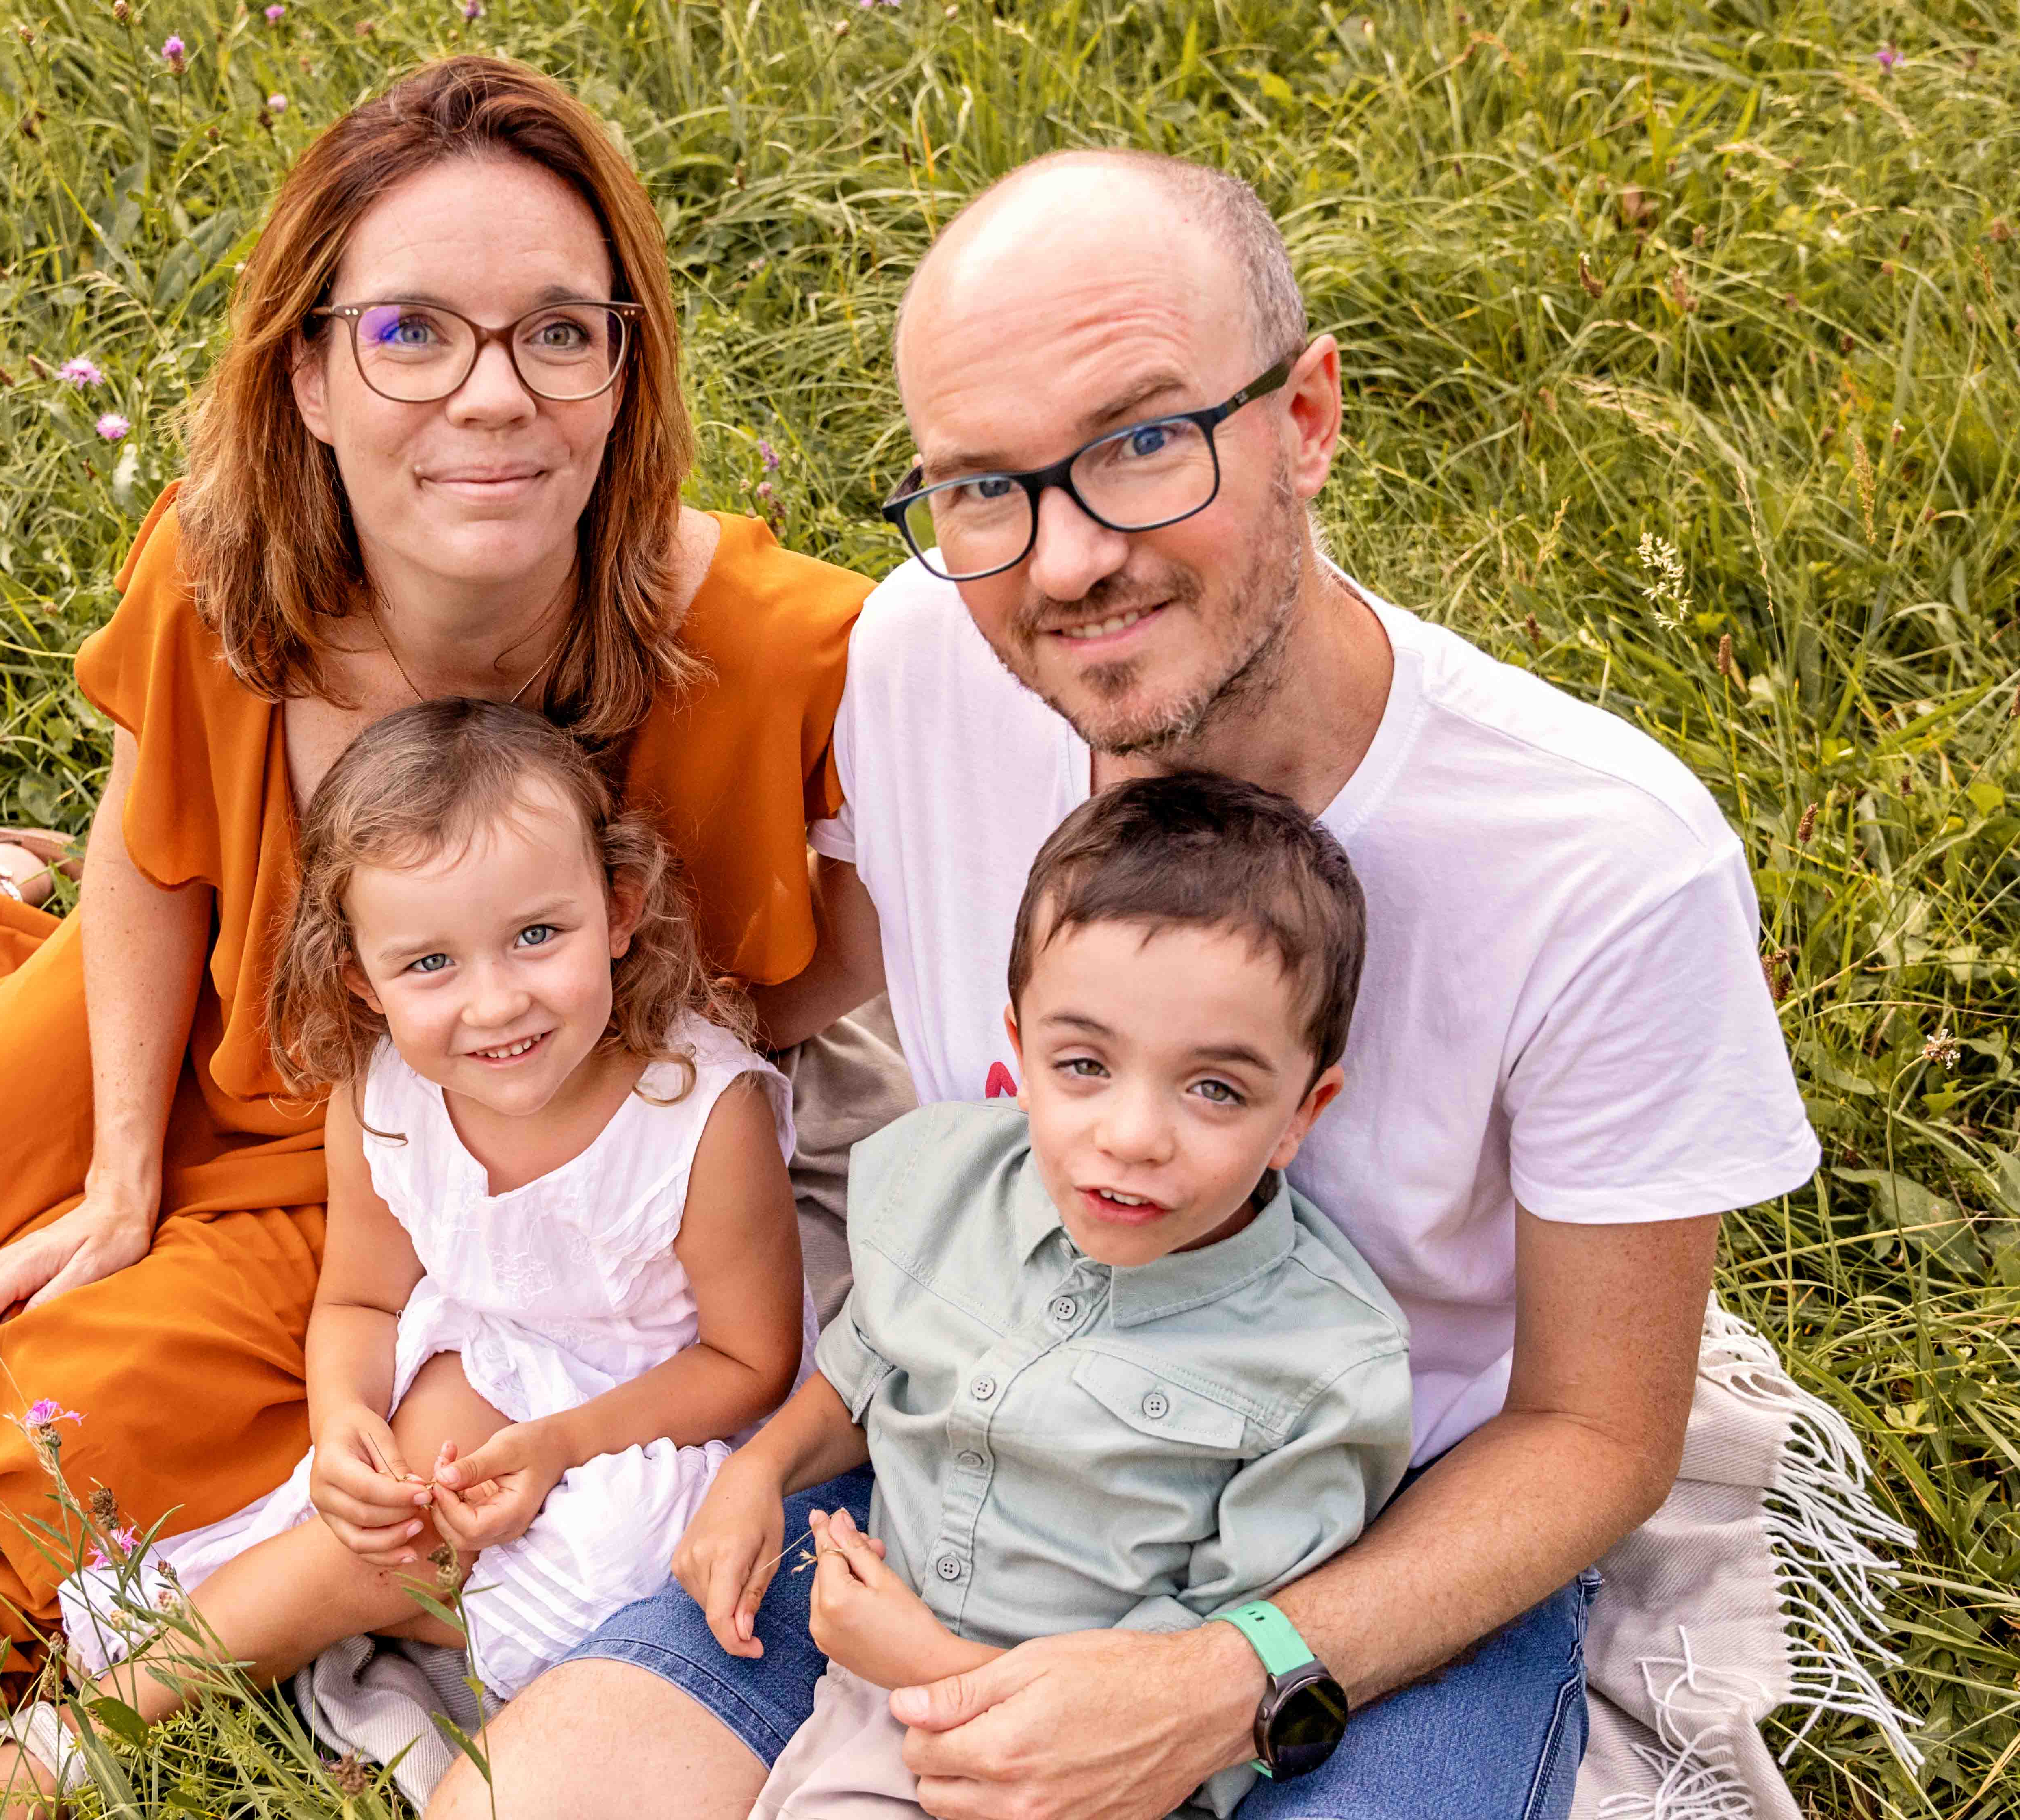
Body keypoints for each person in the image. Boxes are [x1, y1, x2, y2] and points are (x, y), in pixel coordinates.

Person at [439, 149, 1817, 1820]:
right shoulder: (927, 665)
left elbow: (1600, 1435)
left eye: (1145, 442)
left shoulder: (1602, 860)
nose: (1068, 557)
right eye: (981, 487)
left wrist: (1229, 1677)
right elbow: (827, 956)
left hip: (1362, 1523)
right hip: (970, 1449)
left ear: (1305, 420)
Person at [0, 55, 869, 1720]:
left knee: (35, 1465)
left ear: (623, 366)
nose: (493, 398)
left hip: (395, 1148)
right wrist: (118, 1180)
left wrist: (696, 1034)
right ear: (312, 372)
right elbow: (151, 840)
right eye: (412, 332)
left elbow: (961, 868)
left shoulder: (763, 639)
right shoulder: (229, 567)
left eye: (558, 330)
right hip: (186, 1009)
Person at [0, 700, 811, 1814]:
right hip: (485, 1383)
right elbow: (364, 1301)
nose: (496, 1001)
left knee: (405, 1548)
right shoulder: (382, 1094)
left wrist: (561, 1445)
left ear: (619, 909)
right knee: (393, 1506)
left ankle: (80, 1740)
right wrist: (343, 1423)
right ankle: (354, 1598)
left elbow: (749, 1364)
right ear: (364, 979)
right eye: (430, 961)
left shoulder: (696, 1117)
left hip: (661, 1427)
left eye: (539, 934)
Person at [683, 772, 1412, 1820]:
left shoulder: (1321, 1368)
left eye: (1216, 1088)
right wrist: (761, 1468)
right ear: (1017, 1048)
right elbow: (870, 1363)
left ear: (1305, 1110)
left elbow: (1217, 1670)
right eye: (1083, 1064)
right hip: (876, 1698)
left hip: (1106, 1778)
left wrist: (926, 1661)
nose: (1132, 1136)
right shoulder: (948, 1182)